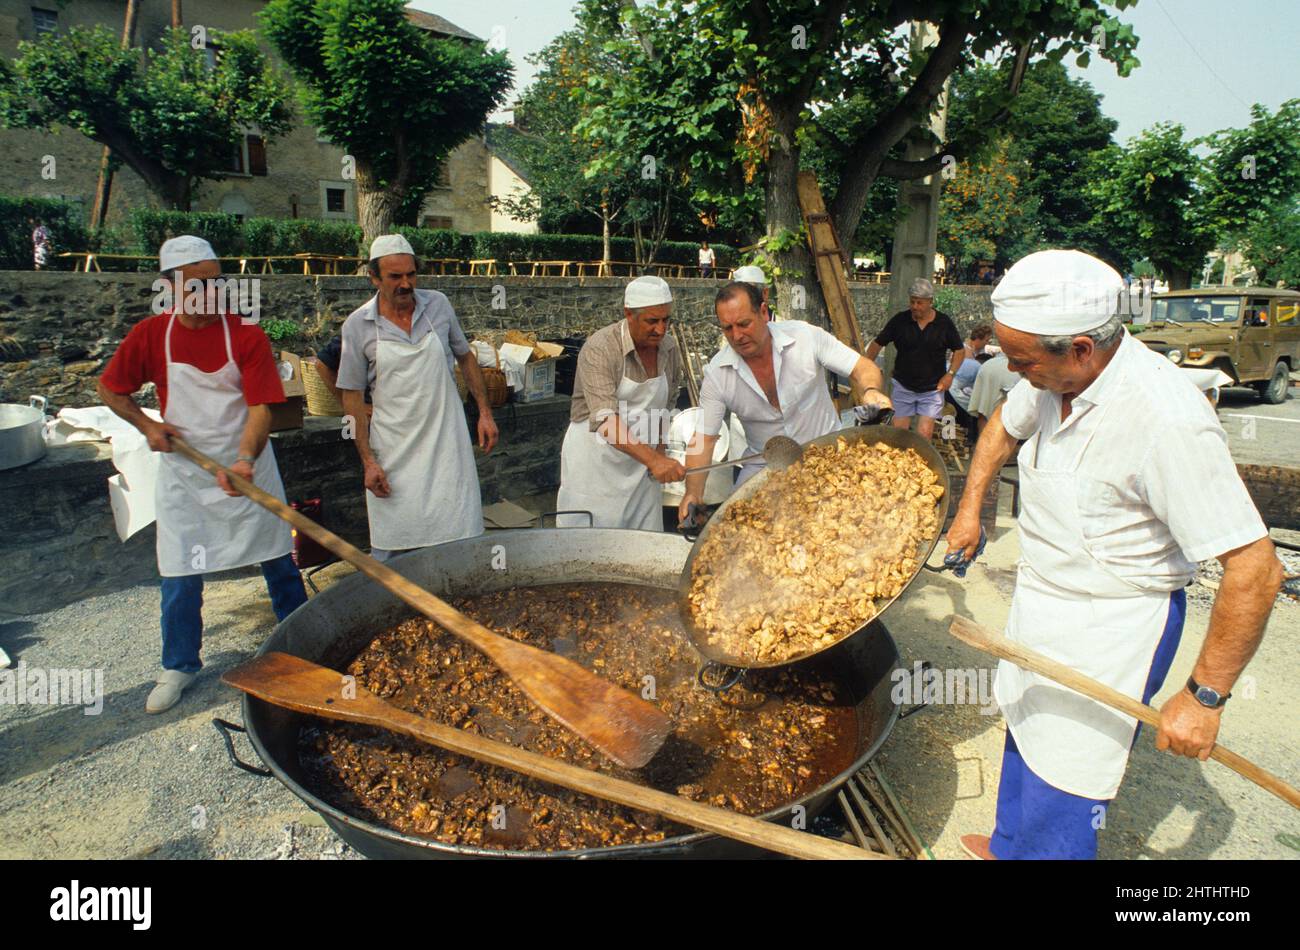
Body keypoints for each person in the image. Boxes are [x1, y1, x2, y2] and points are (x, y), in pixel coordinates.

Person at [944, 249, 1284, 860]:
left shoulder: (1166, 419)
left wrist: (1205, 697)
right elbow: (1002, 424)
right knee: (1023, 726)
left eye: (1023, 361)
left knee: (1071, 774)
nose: (1016, 374)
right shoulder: (1049, 379)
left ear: (1080, 347)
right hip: (1043, 601)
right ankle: (1009, 847)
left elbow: (1256, 568)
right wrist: (971, 506)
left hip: (1115, 625)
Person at [96, 235, 307, 713]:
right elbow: (110, 390)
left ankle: (299, 647)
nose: (214, 293)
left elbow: (261, 408)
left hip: (246, 464)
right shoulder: (151, 335)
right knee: (179, 572)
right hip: (186, 475)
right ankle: (179, 665)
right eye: (200, 284)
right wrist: (147, 424)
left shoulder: (246, 335)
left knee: (277, 559)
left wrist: (245, 461)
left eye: (218, 282)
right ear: (172, 288)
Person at [335, 234, 497, 561]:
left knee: (459, 536)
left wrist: (484, 412)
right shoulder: (358, 326)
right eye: (395, 277)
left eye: (411, 274)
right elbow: (351, 398)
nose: (406, 284)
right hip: (394, 451)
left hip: (446, 445)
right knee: (392, 545)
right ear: (374, 278)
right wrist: (367, 461)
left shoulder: (438, 305)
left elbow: (465, 357)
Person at [678, 281, 892, 516]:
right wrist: (693, 493)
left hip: (826, 452)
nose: (737, 335)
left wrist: (871, 391)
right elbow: (703, 439)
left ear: (763, 312)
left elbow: (862, 367)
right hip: (765, 466)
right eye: (728, 328)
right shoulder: (717, 373)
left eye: (743, 324)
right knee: (735, 524)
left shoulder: (805, 337)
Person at [557, 275, 684, 529]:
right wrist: (655, 460)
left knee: (644, 547)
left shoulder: (668, 349)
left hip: (641, 468)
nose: (661, 329)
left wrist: (659, 451)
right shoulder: (600, 348)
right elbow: (605, 420)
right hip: (596, 464)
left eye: (665, 320)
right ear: (629, 314)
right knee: (590, 547)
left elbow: (665, 407)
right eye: (651, 321)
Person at [865, 277, 965, 439]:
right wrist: (867, 368)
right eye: (912, 302)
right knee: (900, 434)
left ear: (930, 302)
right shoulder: (900, 321)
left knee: (924, 434)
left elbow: (959, 351)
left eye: (919, 303)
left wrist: (950, 374)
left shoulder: (944, 323)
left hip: (933, 389)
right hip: (903, 386)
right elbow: (877, 344)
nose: (914, 307)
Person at [966, 351, 1021, 432]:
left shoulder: (989, 363)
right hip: (1013, 368)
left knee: (984, 409)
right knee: (1009, 416)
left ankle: (982, 441)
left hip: (992, 367)